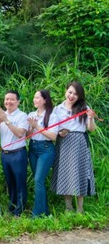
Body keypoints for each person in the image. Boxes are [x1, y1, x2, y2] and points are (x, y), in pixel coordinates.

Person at [51, 81, 96, 213]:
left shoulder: (84, 108)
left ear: (79, 96)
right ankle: (68, 207)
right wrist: (59, 133)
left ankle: (80, 208)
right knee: (65, 174)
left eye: (75, 94)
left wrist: (91, 118)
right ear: (65, 91)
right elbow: (54, 128)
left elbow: (91, 129)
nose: (71, 96)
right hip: (63, 143)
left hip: (79, 143)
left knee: (80, 173)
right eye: (70, 92)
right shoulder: (57, 109)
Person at [0, 90, 29, 216]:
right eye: (6, 99)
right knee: (10, 182)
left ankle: (20, 210)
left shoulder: (22, 116)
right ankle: (12, 207)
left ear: (18, 101)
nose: (8, 102)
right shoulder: (1, 115)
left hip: (18, 154)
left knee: (19, 182)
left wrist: (6, 120)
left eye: (12, 99)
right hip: (5, 154)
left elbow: (19, 134)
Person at [26, 90, 58, 217]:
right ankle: (45, 212)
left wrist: (37, 126)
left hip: (46, 149)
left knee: (39, 179)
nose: (34, 100)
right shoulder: (32, 114)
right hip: (33, 148)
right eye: (34, 97)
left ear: (45, 100)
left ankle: (37, 214)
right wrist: (32, 127)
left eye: (37, 97)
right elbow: (28, 136)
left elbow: (53, 136)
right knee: (38, 180)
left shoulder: (52, 115)